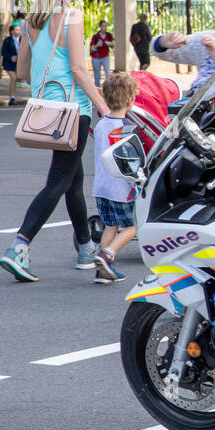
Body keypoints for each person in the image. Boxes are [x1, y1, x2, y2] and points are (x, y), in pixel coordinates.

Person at [0, 0, 111, 283]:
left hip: (45, 111)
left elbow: (21, 73)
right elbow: (78, 69)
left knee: (73, 180)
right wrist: (102, 103)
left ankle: (86, 248)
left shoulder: (30, 22)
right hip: (73, 110)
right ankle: (19, 245)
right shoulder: (71, 17)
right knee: (59, 180)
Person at [90, 71, 139, 284]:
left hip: (101, 187)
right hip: (120, 188)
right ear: (130, 101)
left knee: (110, 225)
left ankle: (103, 271)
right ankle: (107, 254)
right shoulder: (125, 130)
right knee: (135, 226)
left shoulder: (101, 125)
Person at [2, 21, 22, 105]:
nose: (18, 31)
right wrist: (11, 57)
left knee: (16, 79)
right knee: (13, 78)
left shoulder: (22, 39)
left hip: (18, 63)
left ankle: (13, 96)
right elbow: (3, 52)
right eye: (16, 30)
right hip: (9, 63)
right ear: (12, 31)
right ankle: (12, 98)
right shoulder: (7, 40)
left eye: (19, 30)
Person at [89, 20, 114, 87]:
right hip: (96, 58)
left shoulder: (109, 35)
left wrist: (109, 43)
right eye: (103, 26)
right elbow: (91, 49)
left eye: (106, 26)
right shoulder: (95, 37)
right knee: (97, 76)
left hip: (105, 57)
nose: (105, 27)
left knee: (108, 74)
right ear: (100, 26)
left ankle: (108, 88)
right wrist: (97, 45)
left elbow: (113, 45)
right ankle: (97, 89)